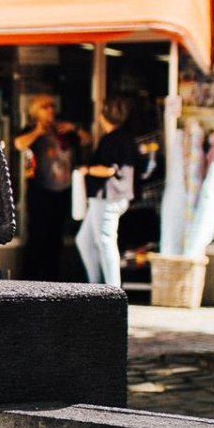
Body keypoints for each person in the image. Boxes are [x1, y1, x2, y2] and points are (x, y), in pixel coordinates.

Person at [76, 93, 148, 287]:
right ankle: (96, 285)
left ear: (103, 115)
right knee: (84, 240)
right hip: (117, 195)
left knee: (105, 242)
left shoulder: (111, 139)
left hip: (108, 196)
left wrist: (87, 170)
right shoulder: (126, 138)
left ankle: (111, 289)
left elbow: (108, 169)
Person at [11, 95, 79, 280]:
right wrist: (38, 132)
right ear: (36, 111)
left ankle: (52, 277)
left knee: (55, 238)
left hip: (62, 190)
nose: (50, 110)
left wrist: (74, 128)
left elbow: (86, 140)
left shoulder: (62, 130)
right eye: (45, 107)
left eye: (52, 106)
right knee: (37, 236)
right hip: (40, 190)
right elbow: (19, 143)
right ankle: (30, 278)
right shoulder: (32, 129)